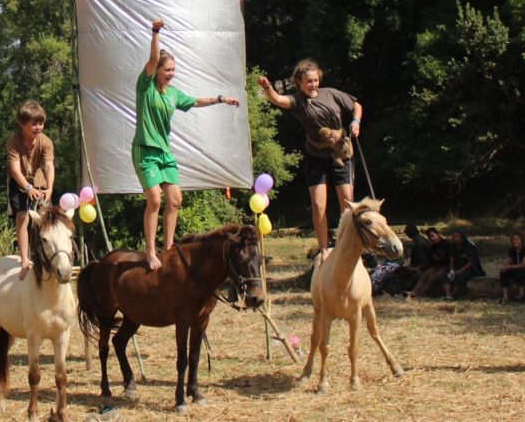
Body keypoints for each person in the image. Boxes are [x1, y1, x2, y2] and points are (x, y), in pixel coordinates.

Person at [133, 19, 240, 270]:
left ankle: (168, 249)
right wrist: (155, 32)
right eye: (167, 69)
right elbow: (151, 58)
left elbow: (195, 101)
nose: (171, 73)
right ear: (156, 70)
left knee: (175, 199)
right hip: (145, 150)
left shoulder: (173, 94)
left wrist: (221, 99)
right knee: (156, 201)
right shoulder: (145, 87)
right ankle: (150, 252)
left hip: (165, 153)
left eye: (173, 69)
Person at [258, 60, 362, 257]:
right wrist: (267, 87)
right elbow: (278, 100)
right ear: (299, 82)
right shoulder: (297, 101)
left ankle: (345, 244)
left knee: (348, 202)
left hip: (341, 154)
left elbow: (357, 105)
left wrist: (356, 122)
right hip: (316, 158)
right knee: (318, 204)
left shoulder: (331, 93)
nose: (313, 85)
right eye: (309, 82)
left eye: (315, 80)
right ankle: (324, 249)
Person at [6, 100, 55, 280]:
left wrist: (49, 188)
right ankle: (25, 260)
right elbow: (15, 170)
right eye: (33, 123)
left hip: (40, 182)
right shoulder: (13, 142)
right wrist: (27, 188)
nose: (38, 127)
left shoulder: (46, 142)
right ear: (22, 123)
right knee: (22, 216)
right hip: (19, 183)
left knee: (45, 217)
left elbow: (49, 166)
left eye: (40, 123)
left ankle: (47, 255)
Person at [406, 228, 451, 298]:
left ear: (437, 234)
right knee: (424, 275)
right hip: (436, 266)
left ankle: (421, 293)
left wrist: (440, 259)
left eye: (433, 236)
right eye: (430, 237)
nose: (432, 238)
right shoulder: (433, 247)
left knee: (432, 277)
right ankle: (414, 292)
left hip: (446, 266)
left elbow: (450, 258)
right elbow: (430, 260)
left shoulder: (447, 244)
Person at [443, 230, 485, 299]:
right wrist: (452, 269)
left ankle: (452, 295)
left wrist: (460, 271)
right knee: (447, 276)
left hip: (468, 268)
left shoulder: (468, 246)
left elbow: (471, 261)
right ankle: (448, 295)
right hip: (456, 266)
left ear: (461, 237)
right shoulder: (452, 246)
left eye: (457, 236)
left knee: (461, 277)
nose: (455, 238)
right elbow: (451, 259)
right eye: (453, 236)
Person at [499, 232, 525, 303]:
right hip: (516, 269)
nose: (515, 241)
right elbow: (509, 260)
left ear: (522, 240)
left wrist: (511, 267)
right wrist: (504, 266)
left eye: (517, 239)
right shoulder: (512, 249)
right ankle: (505, 297)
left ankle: (521, 296)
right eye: (513, 239)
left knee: (519, 271)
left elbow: (524, 264)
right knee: (503, 272)